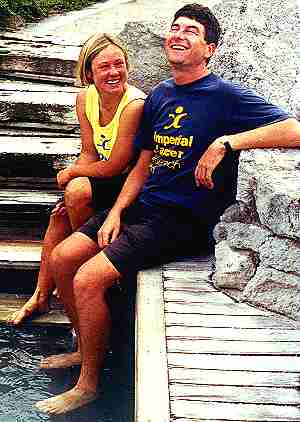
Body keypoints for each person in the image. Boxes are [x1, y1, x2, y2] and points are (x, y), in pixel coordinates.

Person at [35, 3, 300, 415]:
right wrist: (119, 210)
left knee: (88, 278)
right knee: (64, 255)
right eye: (174, 28)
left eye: (190, 31)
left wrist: (228, 142)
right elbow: (142, 163)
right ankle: (84, 348)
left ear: (209, 48)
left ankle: (88, 383)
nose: (177, 35)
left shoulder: (225, 95)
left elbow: (294, 130)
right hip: (144, 206)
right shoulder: (161, 93)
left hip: (181, 220)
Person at [8, 32, 145, 325]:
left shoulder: (134, 105)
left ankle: (78, 269)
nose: (113, 73)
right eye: (104, 67)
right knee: (60, 214)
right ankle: (40, 296)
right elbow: (88, 153)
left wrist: (71, 174)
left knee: (78, 189)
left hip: (129, 186)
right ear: (89, 73)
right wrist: (69, 190)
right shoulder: (85, 98)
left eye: (118, 65)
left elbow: (116, 165)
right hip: (105, 180)